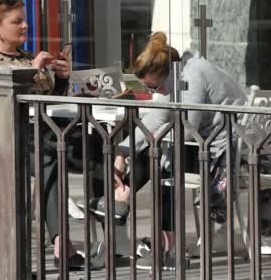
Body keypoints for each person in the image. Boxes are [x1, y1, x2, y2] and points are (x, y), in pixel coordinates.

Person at [86, 32, 247, 270]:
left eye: (155, 87)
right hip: (213, 144)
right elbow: (159, 117)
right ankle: (120, 201)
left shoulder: (191, 77)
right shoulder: (180, 73)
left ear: (167, 74)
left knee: (164, 161)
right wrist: (121, 152)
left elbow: (186, 127)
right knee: (153, 153)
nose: (154, 93)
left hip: (232, 153)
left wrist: (140, 147)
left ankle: (163, 243)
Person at [0, 0, 83, 269]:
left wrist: (61, 78)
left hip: (37, 136)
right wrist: (34, 70)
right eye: (17, 21)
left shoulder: (26, 56)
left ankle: (88, 226)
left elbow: (50, 102)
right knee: (50, 157)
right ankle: (63, 242)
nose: (25, 26)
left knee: (75, 151)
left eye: (24, 20)